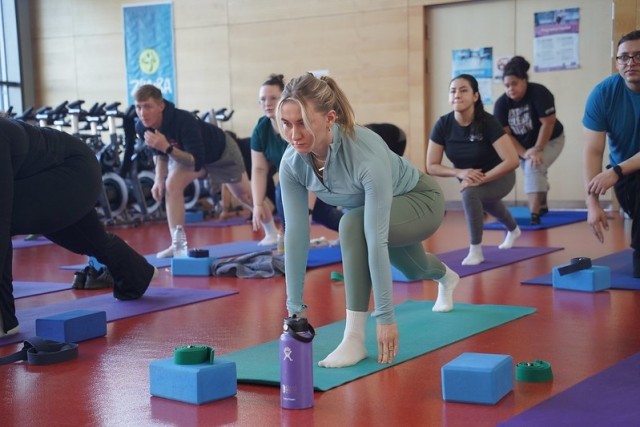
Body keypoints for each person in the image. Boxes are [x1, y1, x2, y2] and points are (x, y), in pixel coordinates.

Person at [277, 73, 459, 368]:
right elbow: (296, 233)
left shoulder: (364, 152)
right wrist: (294, 311)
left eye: (303, 123)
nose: (294, 134)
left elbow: (375, 239)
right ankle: (446, 277)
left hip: (421, 201)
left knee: (351, 225)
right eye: (286, 124)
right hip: (375, 214)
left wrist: (385, 318)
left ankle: (354, 339)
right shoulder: (293, 162)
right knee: (415, 269)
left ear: (329, 118)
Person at [0, 117, 157, 337]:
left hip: (73, 169)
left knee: (6, 217)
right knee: (88, 240)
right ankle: (138, 274)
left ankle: (3, 321)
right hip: (58, 171)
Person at [133, 85, 278, 257]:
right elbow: (159, 154)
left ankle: (272, 233)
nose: (142, 113)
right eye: (138, 107)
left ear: (161, 106)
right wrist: (158, 179)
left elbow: (196, 160)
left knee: (244, 195)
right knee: (171, 185)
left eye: (147, 106)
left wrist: (167, 147)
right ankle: (177, 245)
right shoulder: (142, 126)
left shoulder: (183, 120)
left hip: (220, 152)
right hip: (188, 157)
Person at [427, 74, 521, 265]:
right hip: (470, 179)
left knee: (471, 194)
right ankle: (514, 230)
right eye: (453, 91)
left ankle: (475, 250)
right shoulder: (443, 125)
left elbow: (512, 161)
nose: (457, 95)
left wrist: (479, 179)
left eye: (463, 90)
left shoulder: (488, 122)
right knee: (489, 203)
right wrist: (459, 173)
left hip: (500, 176)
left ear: (475, 96)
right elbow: (431, 166)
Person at [251, 74, 343, 232]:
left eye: (273, 98)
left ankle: (357, 230)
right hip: (297, 180)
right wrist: (257, 204)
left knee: (314, 210)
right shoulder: (261, 129)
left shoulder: (302, 127)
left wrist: (307, 212)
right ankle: (291, 236)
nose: (267, 103)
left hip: (322, 176)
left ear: (285, 98)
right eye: (263, 99)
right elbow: (259, 169)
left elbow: (313, 170)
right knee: (317, 211)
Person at [583, 30, 640, 278]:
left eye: (638, 56)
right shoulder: (603, 94)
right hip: (629, 179)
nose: (631, 63)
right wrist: (592, 203)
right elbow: (593, 150)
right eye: (624, 57)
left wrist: (615, 171)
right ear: (617, 61)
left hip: (619, 172)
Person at [493, 56, 565, 225]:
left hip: (551, 139)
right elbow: (506, 136)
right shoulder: (501, 105)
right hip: (522, 146)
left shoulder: (539, 93)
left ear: (524, 81)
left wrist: (538, 149)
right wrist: (525, 153)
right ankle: (543, 204)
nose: (510, 89)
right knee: (533, 167)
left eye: (514, 84)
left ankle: (534, 214)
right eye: (507, 86)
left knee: (534, 167)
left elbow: (548, 123)